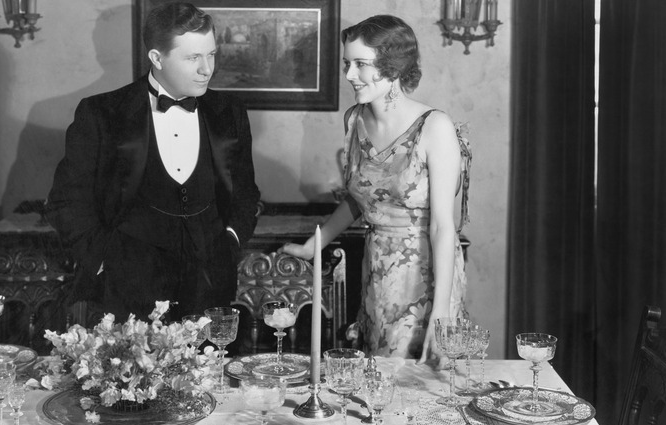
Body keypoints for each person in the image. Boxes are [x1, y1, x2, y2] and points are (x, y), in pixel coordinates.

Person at [45, 2, 260, 324]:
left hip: (209, 290)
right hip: (127, 292)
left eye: (211, 54)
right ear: (157, 58)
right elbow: (66, 202)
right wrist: (104, 259)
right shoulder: (101, 113)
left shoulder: (230, 111)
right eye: (192, 58)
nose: (207, 69)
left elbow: (245, 193)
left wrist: (230, 240)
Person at [280, 15, 470, 362]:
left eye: (361, 64)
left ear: (393, 67)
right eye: (347, 64)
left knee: (422, 382)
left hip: (427, 273)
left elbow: (444, 226)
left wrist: (441, 310)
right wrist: (313, 246)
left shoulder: (434, 127)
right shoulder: (354, 120)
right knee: (378, 377)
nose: (350, 75)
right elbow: (360, 197)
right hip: (377, 267)